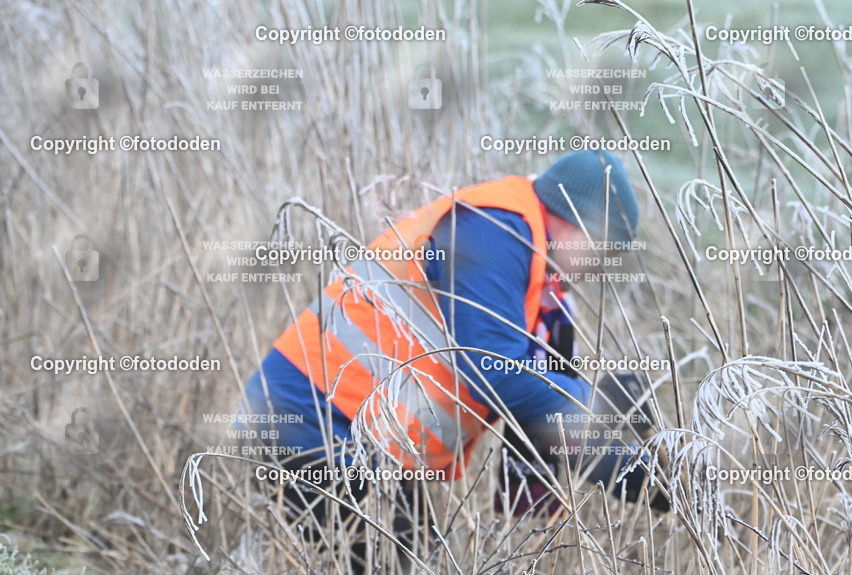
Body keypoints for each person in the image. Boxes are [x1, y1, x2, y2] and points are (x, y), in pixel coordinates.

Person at [239, 150, 667, 548]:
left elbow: (538, 411)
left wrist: (638, 475)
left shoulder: (529, 266)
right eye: (603, 251)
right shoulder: (495, 234)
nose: (598, 270)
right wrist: (600, 406)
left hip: (359, 438)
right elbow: (496, 374)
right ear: (577, 224)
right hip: (310, 425)